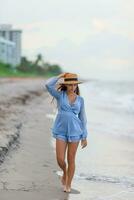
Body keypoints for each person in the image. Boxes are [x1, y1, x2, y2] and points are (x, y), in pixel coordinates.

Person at [43, 72, 88, 193]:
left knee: (71, 159)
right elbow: (48, 85)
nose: (73, 87)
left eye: (75, 85)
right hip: (61, 131)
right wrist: (59, 76)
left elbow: (83, 118)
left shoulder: (80, 100)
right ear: (66, 85)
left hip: (75, 132)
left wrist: (84, 136)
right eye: (70, 85)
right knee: (60, 159)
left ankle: (68, 184)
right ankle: (64, 171)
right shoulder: (60, 95)